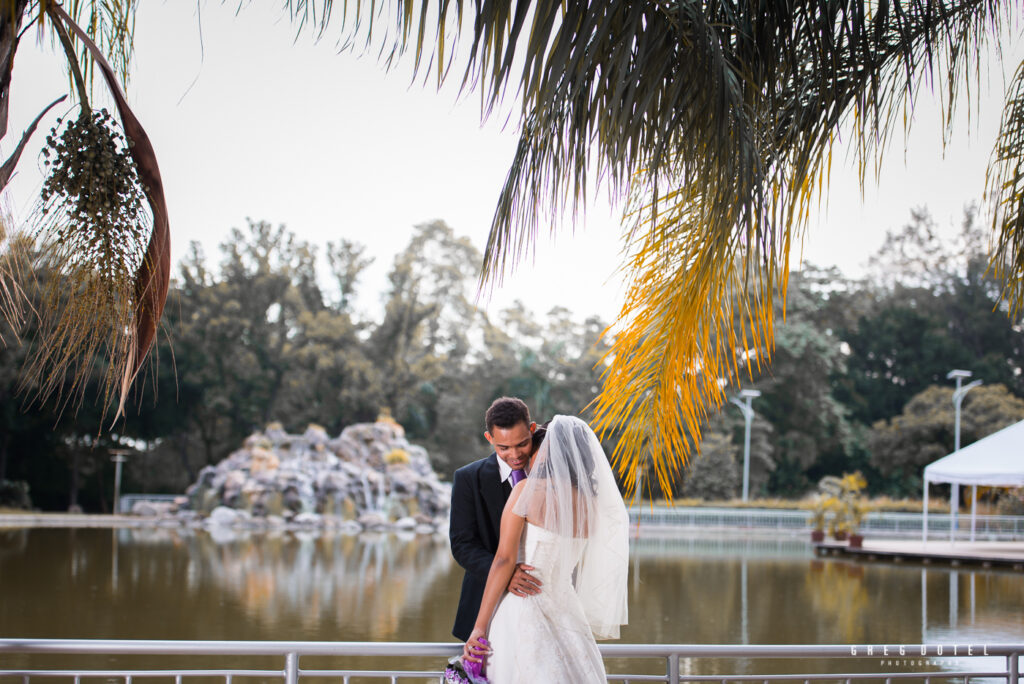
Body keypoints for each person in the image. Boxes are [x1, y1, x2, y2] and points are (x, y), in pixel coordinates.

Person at [463, 415, 629, 683]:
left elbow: (504, 560)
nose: (528, 458)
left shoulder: (526, 490)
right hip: (568, 611)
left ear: (549, 451)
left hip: (524, 607)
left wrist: (479, 628)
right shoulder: (590, 504)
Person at [449, 397, 544, 641]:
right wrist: (507, 573)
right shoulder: (468, 478)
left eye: (522, 444)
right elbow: (462, 545)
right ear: (489, 439)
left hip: (540, 602)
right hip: (482, 603)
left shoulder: (552, 480)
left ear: (532, 430)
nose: (514, 455)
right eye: (503, 448)